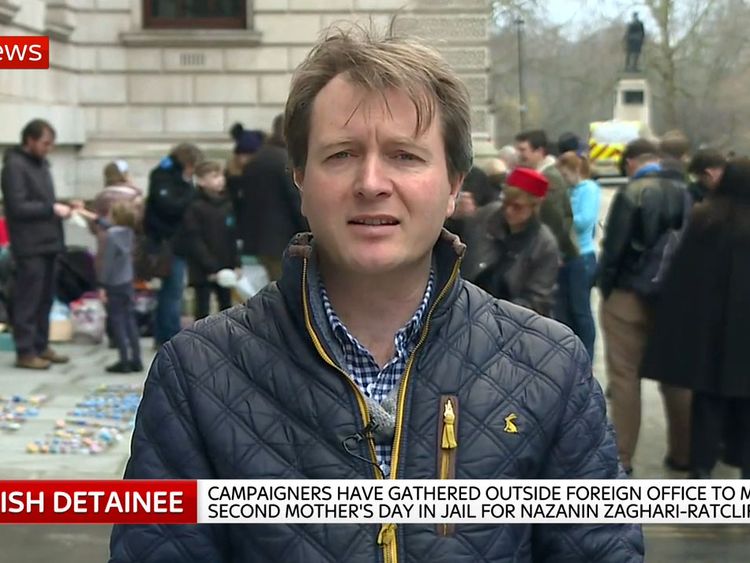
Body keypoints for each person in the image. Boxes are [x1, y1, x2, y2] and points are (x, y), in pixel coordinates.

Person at [110, 27, 643, 562]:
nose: (371, 182)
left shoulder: (549, 365)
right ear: (300, 178)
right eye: (341, 154)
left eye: (405, 156)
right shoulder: (198, 372)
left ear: (455, 184)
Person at [641, 158, 750, 479]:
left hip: (709, 332)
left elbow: (683, 278)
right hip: (745, 335)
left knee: (706, 402)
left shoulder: (705, 220)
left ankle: (700, 468)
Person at [597, 138, 692, 475]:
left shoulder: (632, 193)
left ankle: (623, 457)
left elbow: (615, 248)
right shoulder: (687, 192)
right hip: (675, 297)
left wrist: (606, 286)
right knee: (677, 376)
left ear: (632, 162)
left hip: (628, 294)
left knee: (624, 377)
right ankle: (684, 453)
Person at [1, 119, 71, 369]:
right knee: (27, 299)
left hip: (49, 242)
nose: (48, 148)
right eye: (44, 143)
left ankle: (41, 345)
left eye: (51, 144)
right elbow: (18, 206)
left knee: (45, 299)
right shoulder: (14, 166)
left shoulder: (41, 164)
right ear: (29, 140)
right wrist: (51, 209)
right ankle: (26, 350)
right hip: (29, 244)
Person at [462, 168, 560, 316]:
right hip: (468, 306)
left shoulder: (544, 244)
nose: (508, 211)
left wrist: (494, 314)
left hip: (509, 321)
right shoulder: (487, 216)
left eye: (517, 207)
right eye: (506, 203)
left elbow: (537, 299)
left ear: (534, 207)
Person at [143, 143, 203, 347]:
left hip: (173, 242)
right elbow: (170, 206)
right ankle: (169, 335)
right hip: (167, 242)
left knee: (169, 292)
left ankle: (163, 335)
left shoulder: (170, 177)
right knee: (172, 292)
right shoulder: (164, 178)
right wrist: (191, 192)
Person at [236, 114, 307, 281]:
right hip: (284, 240)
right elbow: (297, 201)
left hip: (262, 239)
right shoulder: (285, 160)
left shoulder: (258, 158)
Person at [77, 202, 143, 373]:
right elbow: (109, 225)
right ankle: (136, 358)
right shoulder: (129, 233)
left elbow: (107, 264)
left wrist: (101, 285)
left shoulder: (111, 237)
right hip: (127, 281)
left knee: (117, 321)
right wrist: (89, 214)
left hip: (113, 283)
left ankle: (124, 359)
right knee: (130, 320)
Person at [178, 160, 239, 320]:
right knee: (202, 307)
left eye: (221, 176)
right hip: (203, 268)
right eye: (214, 176)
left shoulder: (227, 204)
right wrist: (210, 266)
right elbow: (194, 238)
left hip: (225, 264)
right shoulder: (195, 206)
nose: (220, 180)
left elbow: (232, 235)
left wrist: (236, 262)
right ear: (201, 181)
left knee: (227, 308)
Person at [555, 152, 601, 359]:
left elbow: (584, 221)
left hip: (582, 255)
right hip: (568, 255)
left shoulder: (588, 189)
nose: (564, 180)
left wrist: (563, 218)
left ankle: (588, 357)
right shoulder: (570, 191)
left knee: (580, 310)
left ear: (575, 170)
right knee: (565, 311)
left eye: (565, 175)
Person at [514, 129, 578, 263]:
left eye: (523, 150)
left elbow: (553, 220)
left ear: (539, 151)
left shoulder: (549, 178)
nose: (518, 155)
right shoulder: (538, 175)